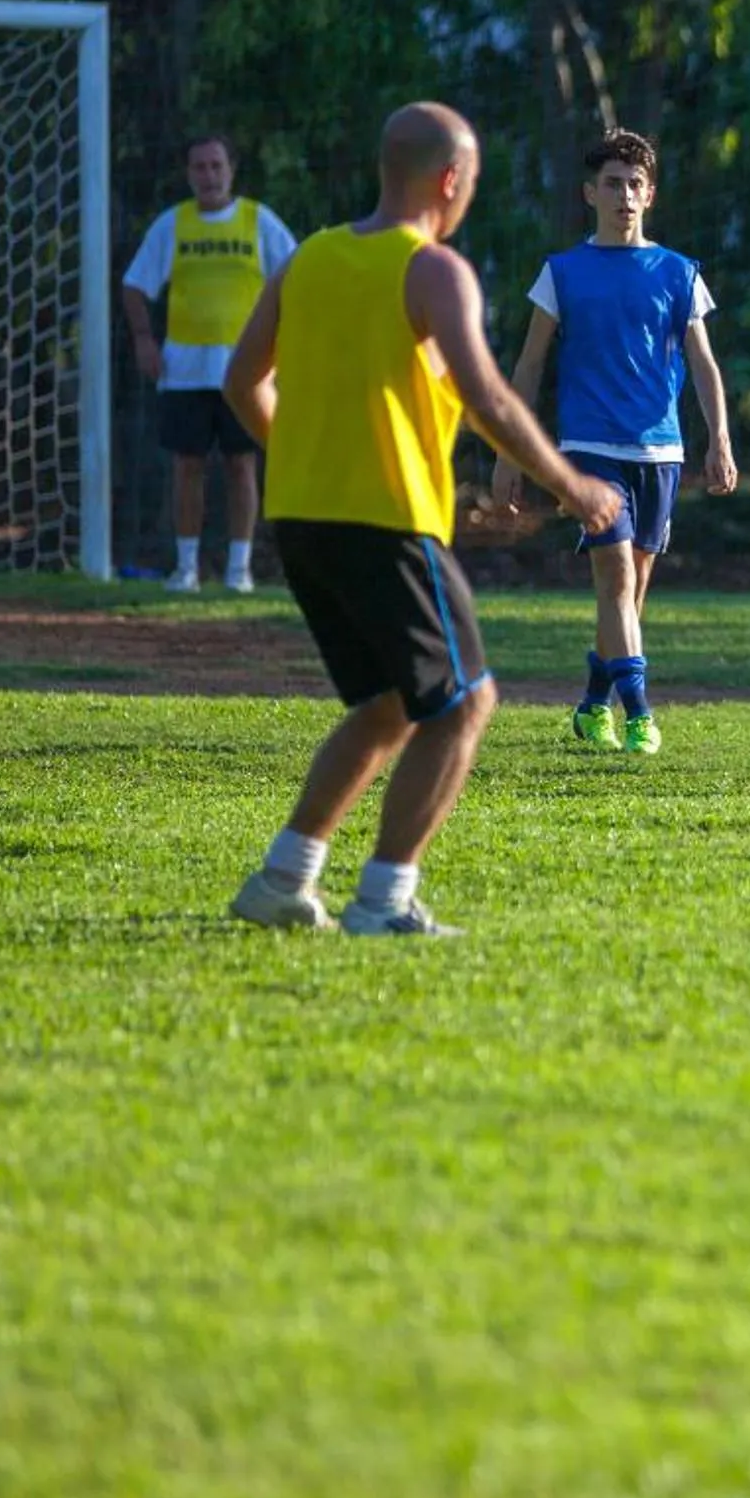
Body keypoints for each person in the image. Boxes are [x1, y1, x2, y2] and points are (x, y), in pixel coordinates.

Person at [220, 103, 620, 936]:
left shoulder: (307, 259)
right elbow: (488, 398)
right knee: (465, 703)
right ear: (450, 181)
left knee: (387, 706)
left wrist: (305, 458)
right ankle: (384, 900)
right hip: (385, 523)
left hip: (302, 521)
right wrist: (573, 485)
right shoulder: (432, 270)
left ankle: (281, 881)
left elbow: (242, 381)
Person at [487, 128, 737, 756]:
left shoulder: (679, 273)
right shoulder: (562, 273)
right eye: (612, 184)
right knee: (616, 576)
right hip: (590, 450)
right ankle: (638, 715)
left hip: (662, 452)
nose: (623, 195)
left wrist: (720, 440)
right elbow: (528, 367)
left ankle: (593, 702)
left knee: (627, 594)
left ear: (649, 196)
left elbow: (703, 365)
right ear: (589, 193)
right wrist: (507, 454)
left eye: (634, 185)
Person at [121, 134, 298, 593]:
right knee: (187, 466)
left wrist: (282, 343)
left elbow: (296, 276)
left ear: (231, 170)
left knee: (242, 465)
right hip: (183, 372)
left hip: (246, 374)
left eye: (216, 166)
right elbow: (135, 285)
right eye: (199, 167)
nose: (208, 175)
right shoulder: (172, 225)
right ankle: (187, 568)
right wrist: (144, 340)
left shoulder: (259, 222)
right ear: (188, 174)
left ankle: (239, 569)